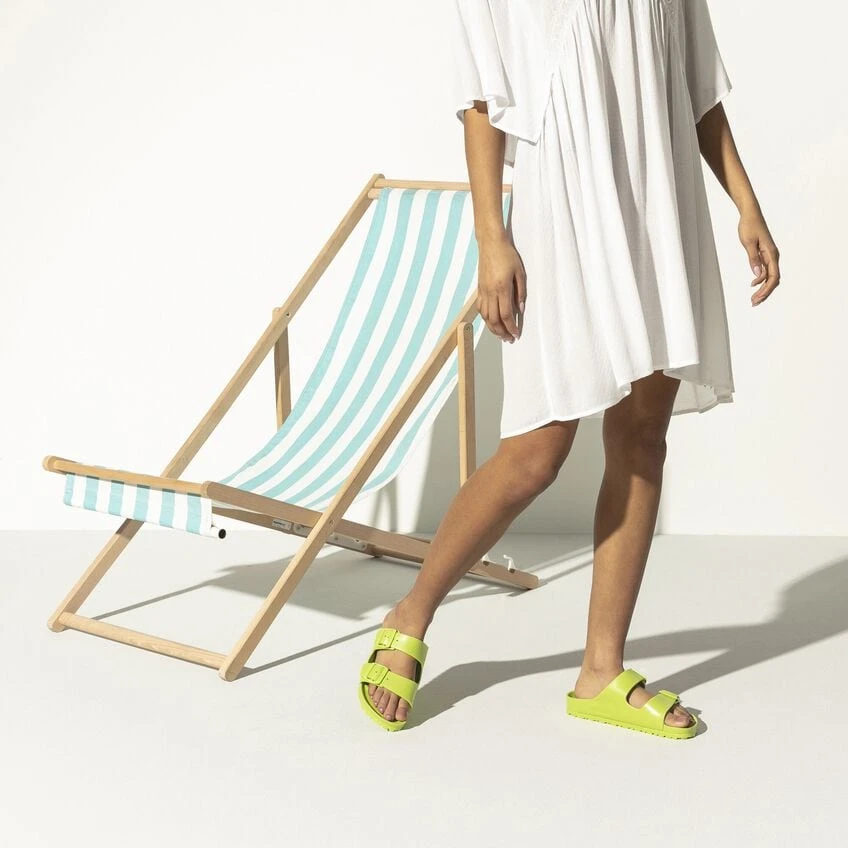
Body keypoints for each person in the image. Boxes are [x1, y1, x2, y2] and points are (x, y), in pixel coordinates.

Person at [358, 0, 781, 735]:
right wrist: (492, 238)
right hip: (567, 203)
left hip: (660, 201)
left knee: (643, 438)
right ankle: (411, 613)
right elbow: (483, 95)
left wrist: (746, 204)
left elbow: (696, 87)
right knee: (536, 452)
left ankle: (601, 671)